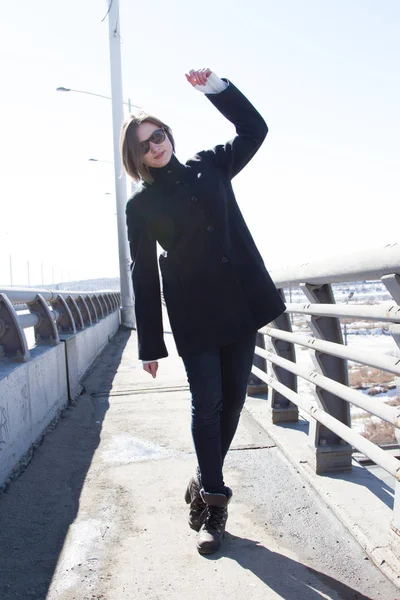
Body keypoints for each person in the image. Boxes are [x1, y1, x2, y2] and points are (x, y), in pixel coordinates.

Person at [121, 68, 286, 555]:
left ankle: (201, 477)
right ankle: (214, 507)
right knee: (207, 405)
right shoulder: (142, 205)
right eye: (146, 143)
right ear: (137, 156)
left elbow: (255, 130)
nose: (157, 145)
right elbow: (143, 275)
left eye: (159, 134)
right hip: (194, 317)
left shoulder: (209, 165)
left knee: (233, 402)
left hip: (239, 304)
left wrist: (218, 89)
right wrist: (150, 343)